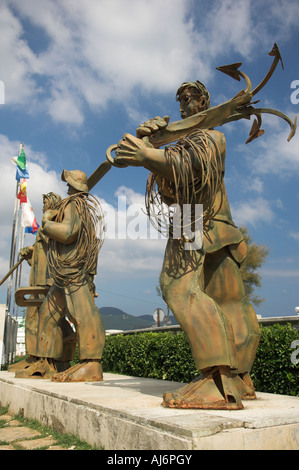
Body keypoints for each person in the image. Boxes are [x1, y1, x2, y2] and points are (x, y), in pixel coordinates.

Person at [114, 80, 261, 409]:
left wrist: (147, 153)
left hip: (196, 218)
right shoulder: (190, 141)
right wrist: (147, 143)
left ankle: (217, 380)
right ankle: (238, 379)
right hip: (206, 218)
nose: (183, 103)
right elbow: (170, 189)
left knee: (178, 287)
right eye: (179, 98)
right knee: (226, 297)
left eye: (189, 97)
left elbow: (190, 166)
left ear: (204, 100)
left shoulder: (210, 136)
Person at [17, 170, 106, 382]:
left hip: (75, 271)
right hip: (63, 273)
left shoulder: (76, 205)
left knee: (82, 312)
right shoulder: (73, 204)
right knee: (48, 314)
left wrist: (46, 223)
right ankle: (48, 362)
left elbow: (68, 233)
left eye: (68, 183)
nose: (65, 186)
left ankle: (92, 364)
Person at [9, 192, 75, 376]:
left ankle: (47, 358)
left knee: (43, 318)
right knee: (37, 317)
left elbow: (54, 244)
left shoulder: (53, 222)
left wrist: (44, 228)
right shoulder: (48, 224)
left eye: (46, 202)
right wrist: (31, 253)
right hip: (38, 277)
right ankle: (34, 356)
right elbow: (42, 254)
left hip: (49, 279)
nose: (43, 206)